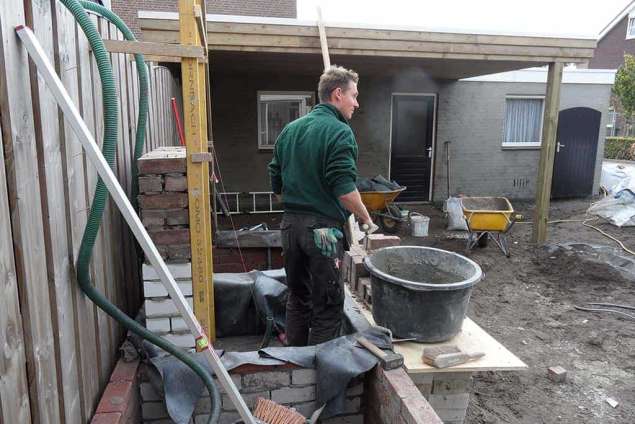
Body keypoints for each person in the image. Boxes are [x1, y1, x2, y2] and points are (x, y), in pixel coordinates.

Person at [268, 65, 377, 346]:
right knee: (327, 305)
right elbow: (344, 189)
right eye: (354, 95)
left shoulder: (290, 130)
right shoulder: (340, 132)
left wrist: (296, 199)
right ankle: (322, 372)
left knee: (298, 297)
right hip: (324, 234)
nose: (357, 103)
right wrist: (366, 217)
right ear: (338, 94)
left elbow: (275, 176)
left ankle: (294, 361)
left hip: (290, 228)